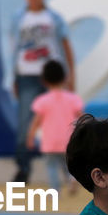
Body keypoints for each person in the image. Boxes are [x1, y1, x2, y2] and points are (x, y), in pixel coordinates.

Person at [11, 0, 73, 183]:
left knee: (62, 124)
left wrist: (70, 75)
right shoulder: (19, 18)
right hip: (27, 75)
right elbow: (15, 48)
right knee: (24, 124)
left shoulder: (54, 18)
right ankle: (23, 167)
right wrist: (14, 77)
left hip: (53, 76)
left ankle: (67, 169)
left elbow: (65, 45)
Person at [26, 60, 84, 193]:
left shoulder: (42, 101)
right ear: (65, 78)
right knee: (67, 165)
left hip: (50, 142)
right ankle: (71, 179)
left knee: (51, 166)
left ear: (44, 80)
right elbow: (82, 117)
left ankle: (54, 191)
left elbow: (36, 122)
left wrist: (30, 137)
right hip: (69, 140)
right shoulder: (72, 99)